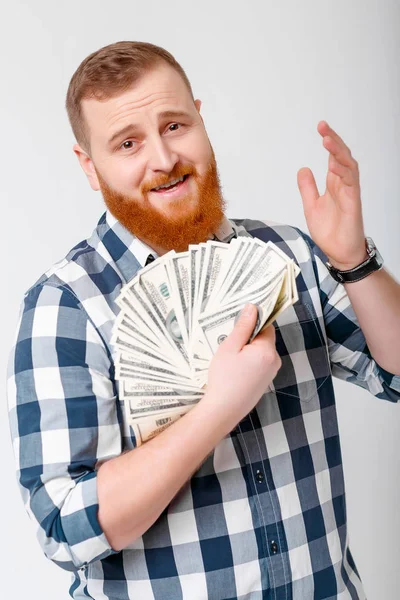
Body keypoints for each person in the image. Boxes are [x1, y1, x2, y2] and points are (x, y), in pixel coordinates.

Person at [7, 40, 400, 600]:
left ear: (200, 118)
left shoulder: (285, 255)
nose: (164, 160)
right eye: (127, 143)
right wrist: (217, 410)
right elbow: (64, 527)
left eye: (174, 125)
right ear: (89, 167)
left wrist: (353, 261)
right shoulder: (64, 306)